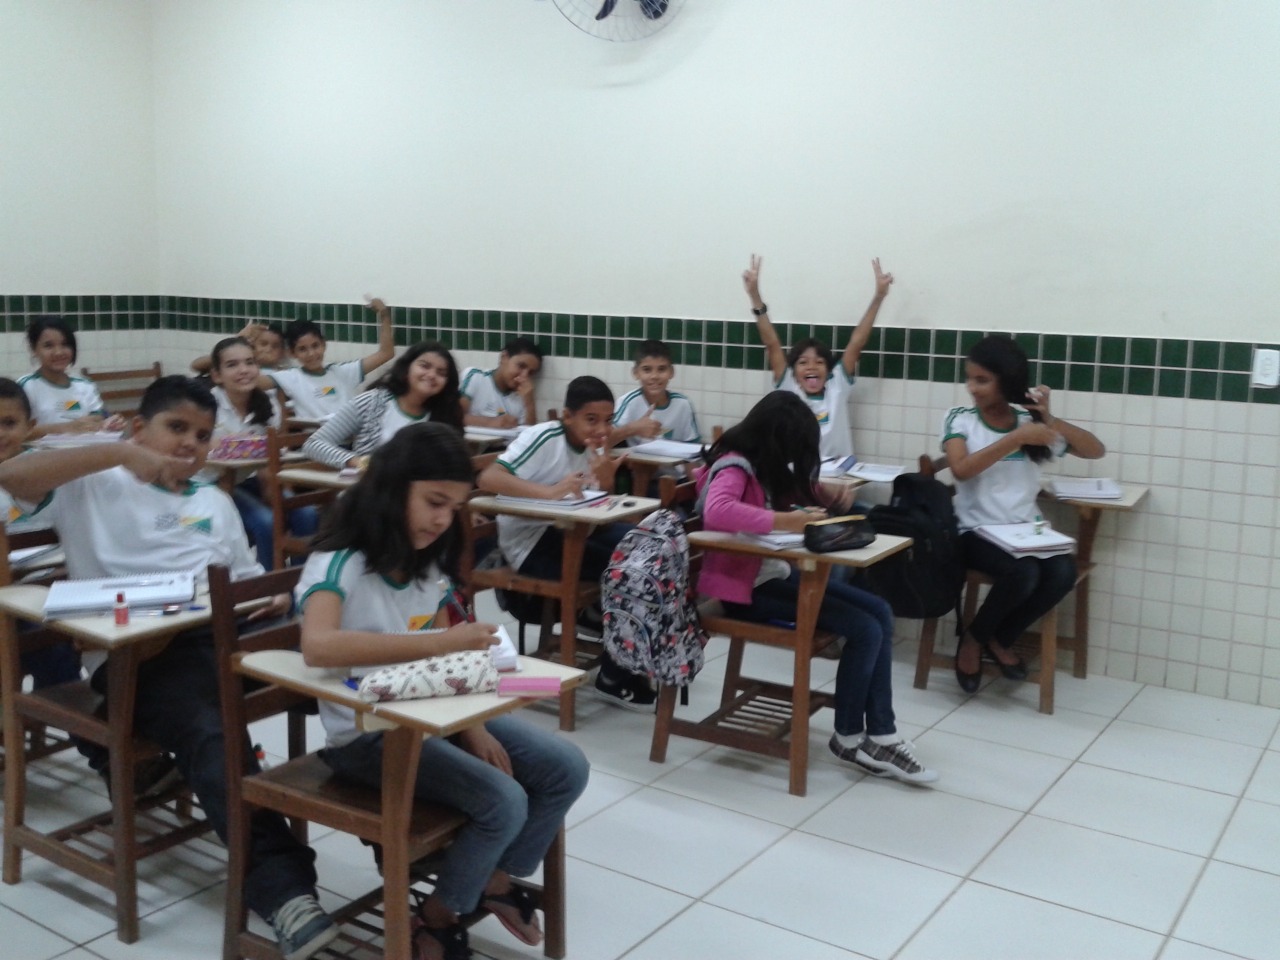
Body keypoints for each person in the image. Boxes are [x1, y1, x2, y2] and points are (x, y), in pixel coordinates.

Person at [0, 376, 337, 959]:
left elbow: (247, 578)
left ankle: (409, 829)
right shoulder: (93, 482)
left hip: (223, 638)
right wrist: (120, 453)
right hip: (141, 659)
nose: (189, 444)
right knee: (211, 729)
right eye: (175, 428)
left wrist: (273, 597)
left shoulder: (214, 501)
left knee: (337, 683)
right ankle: (284, 890)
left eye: (202, 435)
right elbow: (13, 476)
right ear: (139, 427)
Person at [297, 423, 588, 960]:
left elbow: (444, 660)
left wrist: (473, 726)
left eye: (454, 508)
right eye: (434, 502)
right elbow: (317, 645)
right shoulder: (341, 560)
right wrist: (440, 643)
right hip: (365, 736)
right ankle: (438, 916)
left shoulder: (426, 561)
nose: (442, 520)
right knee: (504, 801)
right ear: (392, 488)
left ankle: (493, 878)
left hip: (433, 716)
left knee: (565, 767)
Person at [696, 391, 937, 784]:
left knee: (879, 611)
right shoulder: (734, 465)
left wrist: (823, 494)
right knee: (864, 628)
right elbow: (718, 510)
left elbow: (790, 490)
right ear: (774, 440)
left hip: (772, 578)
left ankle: (881, 733)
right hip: (745, 592)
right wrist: (786, 521)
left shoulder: (759, 464)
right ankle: (850, 737)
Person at [943, 335, 1105, 693]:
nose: (972, 388)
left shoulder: (1028, 421)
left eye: (982, 380)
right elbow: (961, 470)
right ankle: (973, 641)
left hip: (1026, 531)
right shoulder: (961, 419)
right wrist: (1016, 439)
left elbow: (1095, 451)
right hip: (974, 531)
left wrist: (1050, 419)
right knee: (1024, 573)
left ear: (1007, 380)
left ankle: (995, 636)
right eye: (969, 378)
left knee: (1062, 572)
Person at [475, 376, 648, 708]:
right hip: (531, 543)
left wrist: (607, 481)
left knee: (648, 548)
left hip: (572, 530)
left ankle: (610, 632)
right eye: (591, 420)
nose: (601, 429)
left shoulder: (594, 446)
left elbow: (592, 501)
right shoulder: (544, 437)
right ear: (567, 416)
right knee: (631, 570)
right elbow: (489, 477)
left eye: (608, 420)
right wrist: (549, 493)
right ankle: (614, 670)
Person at [743, 255, 893, 459]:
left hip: (840, 474)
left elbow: (857, 342)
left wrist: (879, 296)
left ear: (828, 370)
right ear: (793, 371)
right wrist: (754, 296)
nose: (811, 367)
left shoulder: (837, 385)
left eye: (819, 362)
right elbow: (772, 344)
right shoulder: (788, 388)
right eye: (803, 362)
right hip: (798, 474)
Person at [198, 337, 318, 569]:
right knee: (266, 522)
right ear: (217, 375)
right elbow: (199, 452)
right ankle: (267, 586)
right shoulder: (206, 406)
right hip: (209, 485)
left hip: (245, 481)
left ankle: (301, 583)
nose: (244, 370)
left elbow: (268, 464)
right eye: (232, 365)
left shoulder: (268, 405)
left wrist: (273, 494)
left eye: (250, 362)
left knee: (306, 514)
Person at [0, 377, 81, 689]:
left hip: (50, 591)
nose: (0, 433)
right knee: (49, 644)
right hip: (12, 600)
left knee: (60, 643)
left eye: (9, 423)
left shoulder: (47, 471)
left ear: (30, 426)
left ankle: (66, 702)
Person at [302, 341, 465, 469]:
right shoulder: (371, 402)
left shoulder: (446, 416)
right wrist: (358, 462)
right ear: (407, 368)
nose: (431, 375)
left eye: (441, 373)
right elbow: (314, 444)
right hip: (370, 492)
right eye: (424, 366)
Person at [270, 298, 396, 422]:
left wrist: (384, 315)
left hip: (349, 433)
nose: (311, 354)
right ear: (292, 353)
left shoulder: (342, 372)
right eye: (302, 349)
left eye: (315, 346)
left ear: (324, 344)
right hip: (314, 435)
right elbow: (259, 382)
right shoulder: (291, 377)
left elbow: (386, 353)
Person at [19, 316, 123, 438]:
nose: (59, 352)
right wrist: (66, 427)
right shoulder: (25, 386)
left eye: (65, 344)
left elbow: (97, 420)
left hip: (86, 449)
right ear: (34, 349)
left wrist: (108, 424)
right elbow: (17, 432)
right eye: (48, 346)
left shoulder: (85, 385)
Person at [610, 339, 701, 447]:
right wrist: (633, 428)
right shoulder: (628, 402)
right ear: (635, 373)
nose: (654, 376)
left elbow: (693, 448)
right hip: (635, 458)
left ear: (671, 372)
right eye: (647, 370)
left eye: (661, 369)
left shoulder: (683, 404)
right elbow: (604, 442)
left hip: (672, 458)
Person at [460, 337, 543, 428]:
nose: (524, 376)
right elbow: (455, 417)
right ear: (504, 357)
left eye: (530, 373)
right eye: (521, 366)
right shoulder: (476, 376)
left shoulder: (523, 397)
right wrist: (491, 422)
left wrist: (530, 403)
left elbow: (530, 434)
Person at [190, 321, 289, 377]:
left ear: (282, 353)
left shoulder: (283, 374)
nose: (268, 349)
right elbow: (196, 365)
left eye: (275, 346)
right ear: (252, 346)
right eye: (263, 344)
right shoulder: (237, 364)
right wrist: (238, 341)